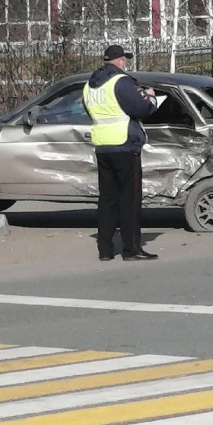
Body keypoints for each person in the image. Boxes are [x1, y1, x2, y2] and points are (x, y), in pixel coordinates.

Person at [82, 45, 159, 262]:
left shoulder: (90, 85)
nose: (126, 62)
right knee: (130, 200)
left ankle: (105, 250)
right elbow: (141, 109)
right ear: (120, 61)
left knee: (107, 200)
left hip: (102, 146)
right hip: (124, 145)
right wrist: (150, 98)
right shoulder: (121, 82)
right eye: (125, 59)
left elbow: (89, 111)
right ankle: (131, 249)